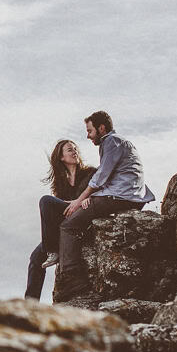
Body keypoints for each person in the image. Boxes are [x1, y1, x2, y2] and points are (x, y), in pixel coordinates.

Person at [57, 110, 155, 299]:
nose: (88, 135)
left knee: (68, 226)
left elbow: (101, 177)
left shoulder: (110, 141)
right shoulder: (119, 142)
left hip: (120, 196)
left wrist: (81, 200)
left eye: (90, 131)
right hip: (130, 195)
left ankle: (73, 278)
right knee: (81, 214)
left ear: (101, 128)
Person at [25, 140, 96, 299]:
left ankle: (53, 250)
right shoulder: (60, 183)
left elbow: (100, 190)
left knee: (45, 200)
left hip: (83, 222)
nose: (75, 152)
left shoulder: (90, 173)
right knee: (35, 259)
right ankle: (30, 305)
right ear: (61, 157)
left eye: (76, 149)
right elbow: (58, 211)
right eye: (70, 150)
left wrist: (89, 198)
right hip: (64, 224)